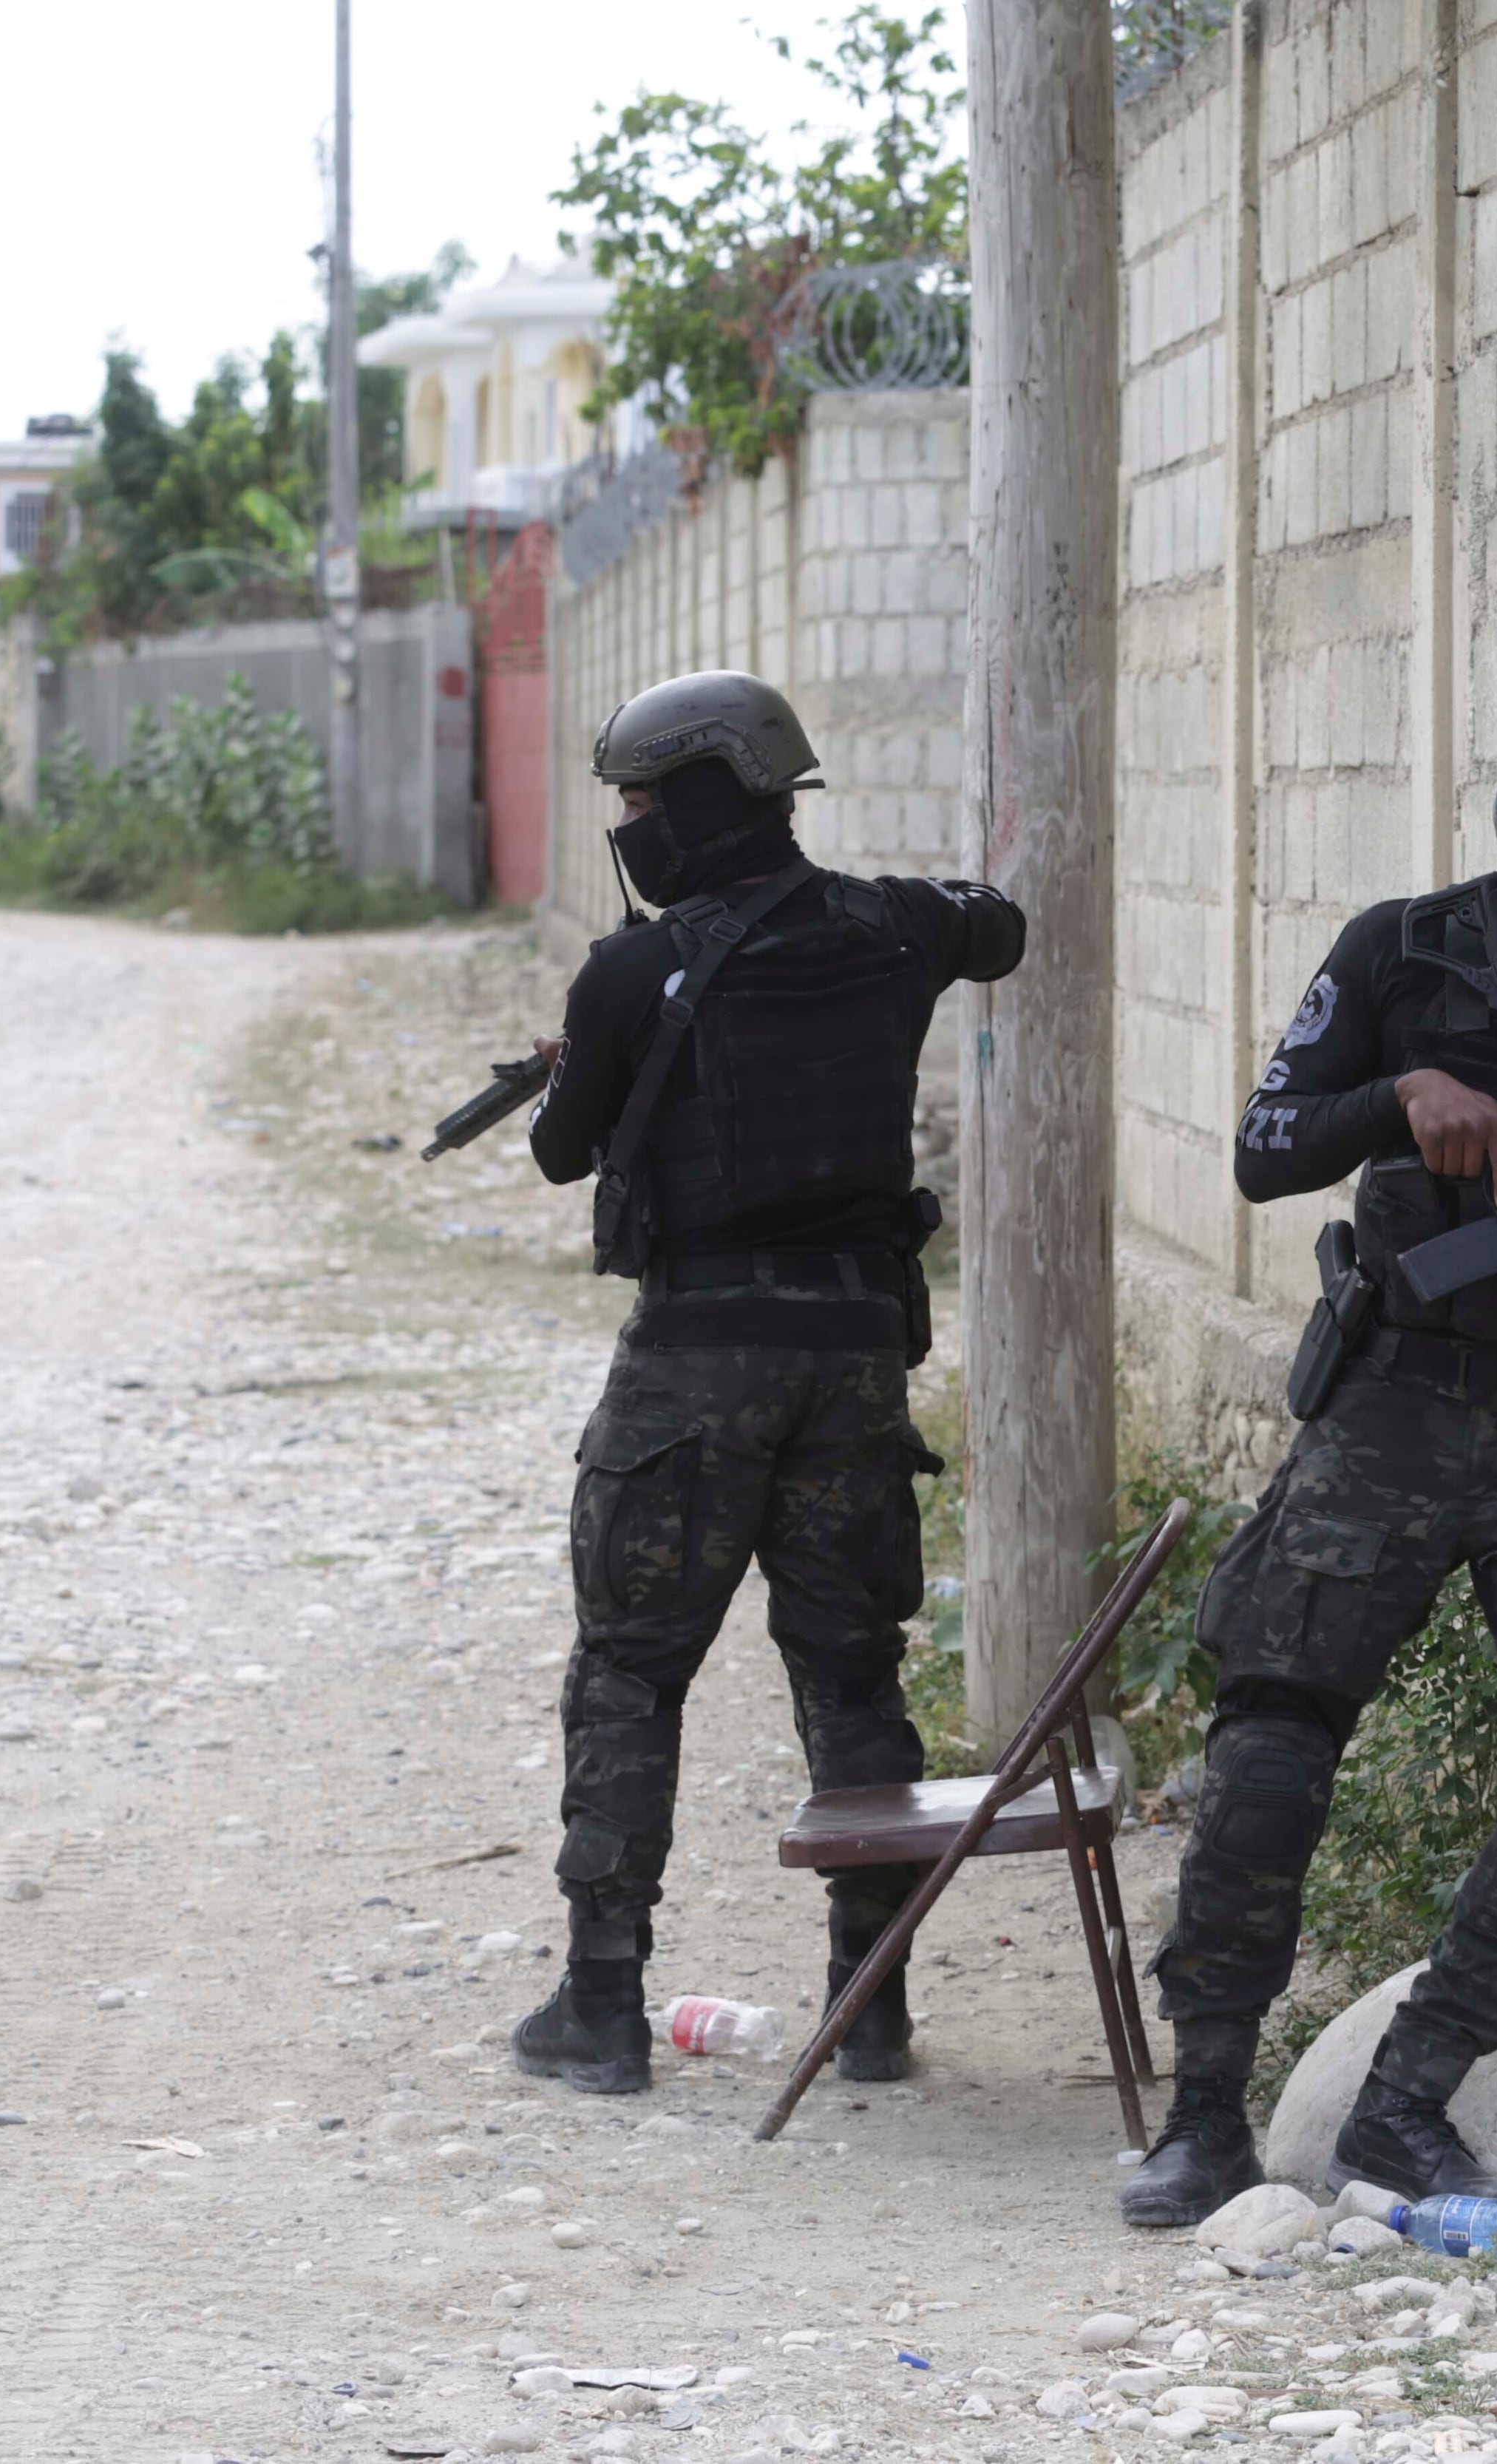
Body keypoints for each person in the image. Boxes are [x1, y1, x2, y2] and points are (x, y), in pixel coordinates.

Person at [1121, 705, 1497, 2224]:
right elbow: (1268, 1145)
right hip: (1395, 1402)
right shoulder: (1404, 949)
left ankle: (1408, 2095)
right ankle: (1202, 2110)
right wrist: (1395, 1099)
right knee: (1272, 1736)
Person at [506, 669, 1027, 2096]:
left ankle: (603, 2006)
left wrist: (594, 1056)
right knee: (852, 1672)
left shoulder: (632, 971)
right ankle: (874, 2007)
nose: (629, 826)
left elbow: (564, 1150)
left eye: (638, 802)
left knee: (627, 1670)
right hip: (853, 1364)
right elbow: (999, 923)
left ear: (697, 802)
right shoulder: (893, 926)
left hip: (692, 1372)